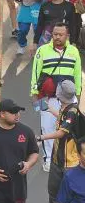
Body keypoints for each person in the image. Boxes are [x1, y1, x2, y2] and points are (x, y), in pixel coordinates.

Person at [31, 22, 82, 172]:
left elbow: (77, 75)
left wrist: (78, 98)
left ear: (67, 36)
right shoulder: (42, 51)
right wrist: (35, 97)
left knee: (71, 130)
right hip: (49, 98)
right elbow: (35, 74)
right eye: (55, 34)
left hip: (70, 99)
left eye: (61, 34)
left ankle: (72, 158)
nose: (57, 37)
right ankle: (48, 160)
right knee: (47, 128)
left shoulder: (74, 51)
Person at [40, 80, 82, 203]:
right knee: (53, 190)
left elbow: (61, 132)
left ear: (59, 94)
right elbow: (62, 119)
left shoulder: (73, 111)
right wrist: (49, 109)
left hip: (69, 163)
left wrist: (41, 137)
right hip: (56, 160)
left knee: (72, 193)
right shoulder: (65, 109)